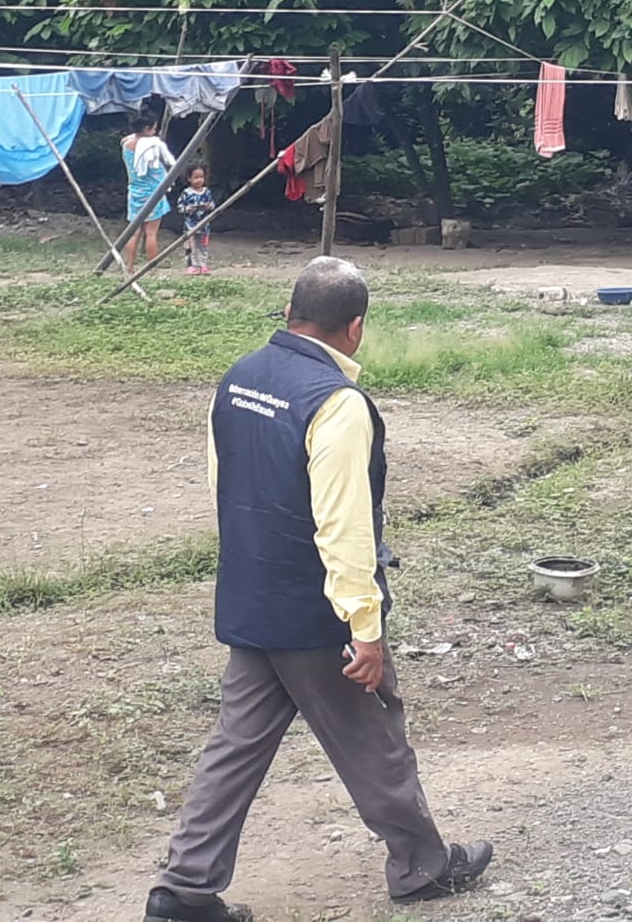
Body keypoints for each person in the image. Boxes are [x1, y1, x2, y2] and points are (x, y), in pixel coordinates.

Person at [143, 257, 493, 922]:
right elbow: (343, 526)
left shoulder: (238, 378)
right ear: (355, 327)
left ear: (288, 313)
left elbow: (224, 485)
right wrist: (365, 627)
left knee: (235, 746)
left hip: (251, 597)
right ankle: (422, 867)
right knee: (372, 737)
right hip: (313, 613)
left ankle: (182, 890)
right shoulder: (337, 403)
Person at [122, 102, 175, 275]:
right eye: (154, 128)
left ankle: (129, 267)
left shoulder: (126, 144)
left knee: (134, 232)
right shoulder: (150, 146)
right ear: (147, 128)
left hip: (135, 191)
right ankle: (152, 269)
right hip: (153, 192)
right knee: (151, 233)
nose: (155, 131)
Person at [177, 166, 217, 276]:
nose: (199, 180)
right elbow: (180, 207)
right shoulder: (186, 193)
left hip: (204, 224)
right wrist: (189, 209)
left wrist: (209, 206)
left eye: (201, 177)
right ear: (189, 178)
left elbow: (212, 204)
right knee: (190, 246)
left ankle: (203, 265)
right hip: (190, 225)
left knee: (203, 245)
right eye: (196, 177)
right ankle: (191, 266)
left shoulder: (206, 192)